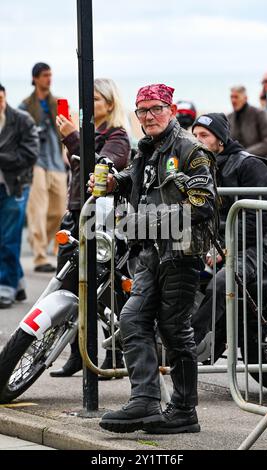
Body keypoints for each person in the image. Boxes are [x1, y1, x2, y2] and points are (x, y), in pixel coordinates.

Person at [88, 83, 219, 434]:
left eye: (155, 109)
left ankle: (183, 411)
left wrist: (149, 221)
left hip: (182, 253)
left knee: (175, 330)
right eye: (142, 111)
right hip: (149, 253)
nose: (148, 117)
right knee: (131, 319)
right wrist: (115, 183)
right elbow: (139, 180)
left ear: (171, 110)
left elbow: (204, 204)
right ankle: (144, 400)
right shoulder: (145, 149)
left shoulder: (192, 150)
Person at [50, 78, 131, 378]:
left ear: (110, 103)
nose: (90, 103)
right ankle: (77, 354)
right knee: (68, 288)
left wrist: (73, 139)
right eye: (88, 98)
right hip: (75, 215)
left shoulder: (119, 137)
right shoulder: (89, 133)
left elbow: (102, 171)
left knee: (105, 292)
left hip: (102, 221)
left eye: (96, 99)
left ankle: (114, 353)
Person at [191, 113, 267, 346]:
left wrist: (227, 246)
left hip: (258, 245)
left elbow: (259, 218)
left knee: (222, 282)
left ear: (220, 139)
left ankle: (189, 345)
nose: (198, 140)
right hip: (218, 244)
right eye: (194, 135)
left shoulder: (250, 165)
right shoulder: (201, 168)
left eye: (204, 135)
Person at [19, 63, 67, 272]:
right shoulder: (25, 106)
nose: (49, 79)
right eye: (45, 75)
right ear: (36, 78)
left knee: (59, 211)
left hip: (56, 160)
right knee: (37, 211)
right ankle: (39, 256)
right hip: (35, 162)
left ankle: (48, 246)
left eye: (50, 75)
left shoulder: (57, 103)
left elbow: (66, 129)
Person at [0, 84, 39, 308]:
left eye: (1, 98)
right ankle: (19, 282)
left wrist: (3, 157)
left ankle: (5, 288)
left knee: (9, 238)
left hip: (15, 187)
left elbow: (30, 153)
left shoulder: (21, 119)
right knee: (4, 238)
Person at [228, 85, 267, 158]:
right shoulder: (229, 117)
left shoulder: (260, 114)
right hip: (235, 163)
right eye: (231, 97)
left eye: (236, 97)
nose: (233, 100)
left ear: (245, 98)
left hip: (260, 161)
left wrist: (243, 153)